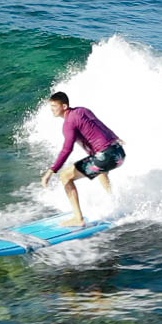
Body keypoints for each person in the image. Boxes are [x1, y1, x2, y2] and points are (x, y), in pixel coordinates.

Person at [40, 91, 126, 227]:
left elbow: (67, 149)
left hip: (105, 156)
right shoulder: (82, 110)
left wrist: (51, 171)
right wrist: (115, 137)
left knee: (65, 176)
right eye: (50, 107)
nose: (52, 110)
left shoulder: (68, 123)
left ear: (64, 106)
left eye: (54, 106)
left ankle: (78, 218)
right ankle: (114, 202)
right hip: (119, 153)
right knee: (100, 170)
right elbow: (100, 124)